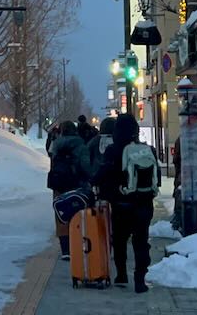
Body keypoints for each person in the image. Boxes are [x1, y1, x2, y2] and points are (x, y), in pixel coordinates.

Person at [93, 113, 158, 293]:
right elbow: (156, 179)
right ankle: (140, 280)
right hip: (144, 203)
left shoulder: (113, 150)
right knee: (141, 241)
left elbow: (104, 173)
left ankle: (121, 274)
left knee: (120, 240)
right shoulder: (147, 150)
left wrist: (94, 183)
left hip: (121, 203)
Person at [46, 120, 91, 260]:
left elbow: (51, 158)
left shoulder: (57, 143)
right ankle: (78, 243)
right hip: (77, 184)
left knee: (61, 214)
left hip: (59, 183)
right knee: (79, 212)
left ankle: (65, 249)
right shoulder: (80, 144)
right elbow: (85, 165)